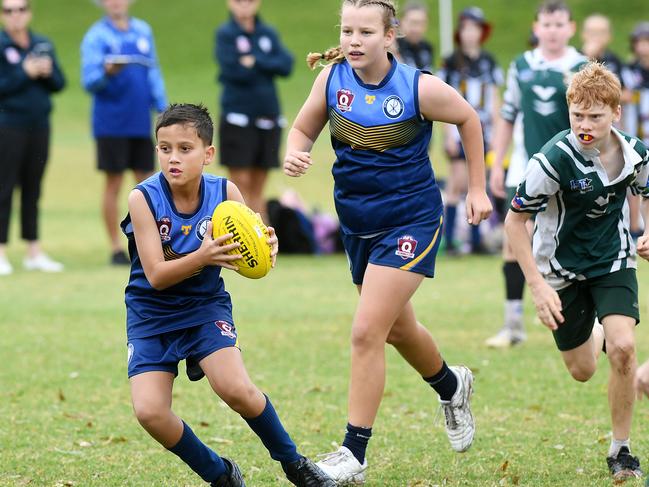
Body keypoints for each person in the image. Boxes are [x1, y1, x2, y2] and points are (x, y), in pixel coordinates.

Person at [284, 0, 492, 483]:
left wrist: (478, 188)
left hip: (411, 223)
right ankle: (450, 384)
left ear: (388, 36)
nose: (354, 40)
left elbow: (470, 119)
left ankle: (353, 452)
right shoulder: (331, 81)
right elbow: (301, 130)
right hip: (359, 226)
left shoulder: (417, 87)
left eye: (365, 32)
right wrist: (296, 153)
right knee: (397, 331)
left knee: (366, 332)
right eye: (347, 31)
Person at [121, 103, 334, 487]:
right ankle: (221, 475)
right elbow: (155, 275)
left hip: (204, 307)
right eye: (164, 148)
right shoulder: (144, 199)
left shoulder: (225, 191)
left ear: (207, 154)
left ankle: (295, 465)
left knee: (238, 391)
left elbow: (251, 239)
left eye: (185, 149)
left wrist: (267, 245)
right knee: (150, 412)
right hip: (152, 313)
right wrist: (203, 255)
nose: (173, 158)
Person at [504, 62, 647, 480]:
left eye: (595, 116)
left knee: (623, 349)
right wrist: (537, 287)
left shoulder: (635, 151)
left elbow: (646, 190)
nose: (585, 124)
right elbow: (514, 222)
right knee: (582, 370)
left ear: (615, 113)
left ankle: (621, 450)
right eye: (577, 115)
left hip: (613, 260)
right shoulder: (551, 161)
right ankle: (595, 332)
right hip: (559, 271)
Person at [486, 1, 586, 348]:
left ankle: (581, 321)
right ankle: (513, 326)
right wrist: (496, 162)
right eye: (547, 24)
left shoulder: (582, 67)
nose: (553, 30)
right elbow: (508, 115)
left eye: (559, 24)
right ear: (536, 27)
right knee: (514, 242)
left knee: (571, 243)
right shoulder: (522, 66)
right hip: (526, 168)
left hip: (572, 170)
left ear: (570, 28)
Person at [81, 0, 167, 266]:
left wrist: (163, 107)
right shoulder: (96, 36)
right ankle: (116, 247)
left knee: (149, 183)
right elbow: (89, 80)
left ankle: (150, 242)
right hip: (111, 123)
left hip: (140, 120)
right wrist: (105, 71)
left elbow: (153, 71)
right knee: (114, 183)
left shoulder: (143, 30)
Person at [0, 0, 65, 275]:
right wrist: (24, 73)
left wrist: (47, 73)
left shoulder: (42, 44)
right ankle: (1, 251)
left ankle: (33, 250)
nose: (16, 15)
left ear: (29, 12)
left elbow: (60, 84)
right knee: (4, 188)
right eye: (9, 10)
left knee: (33, 187)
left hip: (39, 126)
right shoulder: (2, 46)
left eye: (21, 9)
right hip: (8, 126)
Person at [215, 0, 293, 221]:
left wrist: (255, 60)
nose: (244, 5)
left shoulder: (267, 32)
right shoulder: (226, 34)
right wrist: (267, 64)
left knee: (259, 183)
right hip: (238, 118)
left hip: (268, 116)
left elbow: (286, 64)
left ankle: (261, 239)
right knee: (240, 181)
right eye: (239, 1)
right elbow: (233, 71)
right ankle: (241, 233)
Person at [438, 6, 503, 256]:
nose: (470, 34)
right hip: (457, 131)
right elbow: (442, 100)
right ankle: (451, 240)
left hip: (484, 132)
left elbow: (495, 99)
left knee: (479, 183)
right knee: (457, 184)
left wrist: (497, 134)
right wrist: (447, 135)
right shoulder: (451, 62)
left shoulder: (489, 62)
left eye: (475, 28)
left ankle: (476, 239)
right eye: (466, 28)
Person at [580, 14, 624, 82]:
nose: (596, 36)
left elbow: (623, 88)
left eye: (602, 32)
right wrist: (587, 56)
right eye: (592, 32)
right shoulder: (574, 58)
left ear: (609, 36)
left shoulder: (614, 60)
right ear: (583, 34)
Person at [394, 0, 433, 71]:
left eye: (422, 23)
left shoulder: (427, 47)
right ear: (401, 22)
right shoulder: (392, 46)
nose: (417, 29)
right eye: (413, 23)